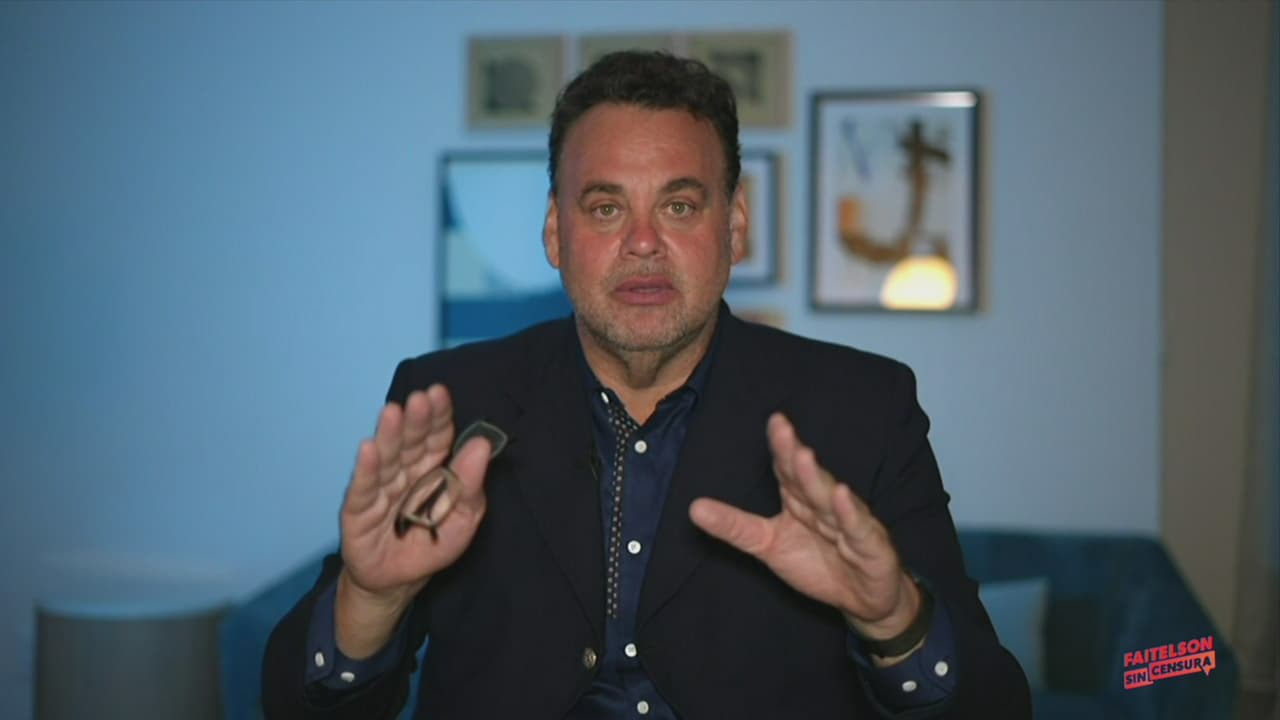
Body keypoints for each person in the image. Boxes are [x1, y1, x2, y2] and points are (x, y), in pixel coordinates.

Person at [263, 51, 1030, 719]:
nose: (641, 242)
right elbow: (295, 707)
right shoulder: (449, 401)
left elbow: (995, 705)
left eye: (679, 205)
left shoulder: (862, 409)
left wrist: (894, 622)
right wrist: (370, 601)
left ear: (734, 228)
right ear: (555, 234)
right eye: (605, 208)